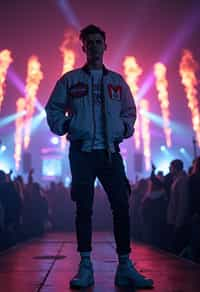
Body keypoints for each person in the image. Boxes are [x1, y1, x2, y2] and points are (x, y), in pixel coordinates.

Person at [45, 24, 153, 289]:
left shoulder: (117, 82)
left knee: (121, 205)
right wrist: (68, 127)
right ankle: (85, 266)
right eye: (89, 42)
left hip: (110, 152)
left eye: (98, 42)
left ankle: (125, 266)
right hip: (82, 152)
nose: (94, 46)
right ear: (83, 47)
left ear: (105, 46)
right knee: (84, 208)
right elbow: (53, 109)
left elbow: (130, 111)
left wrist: (124, 129)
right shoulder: (69, 80)